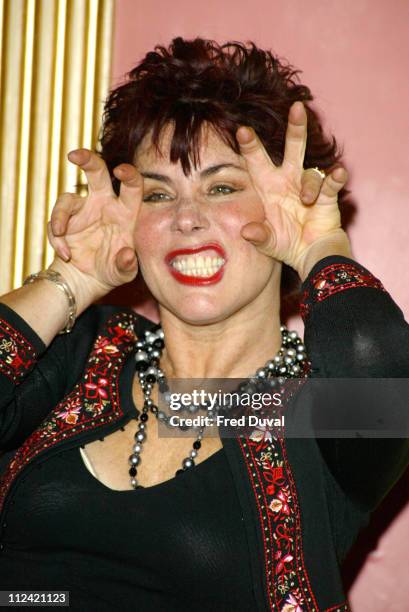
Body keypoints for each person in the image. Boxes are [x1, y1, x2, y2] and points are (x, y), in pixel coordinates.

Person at [0, 37, 408, 612]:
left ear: (280, 206)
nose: (186, 219)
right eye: (159, 195)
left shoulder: (313, 415)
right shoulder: (86, 353)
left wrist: (320, 245)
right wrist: (72, 281)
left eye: (222, 187)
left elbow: (383, 373)